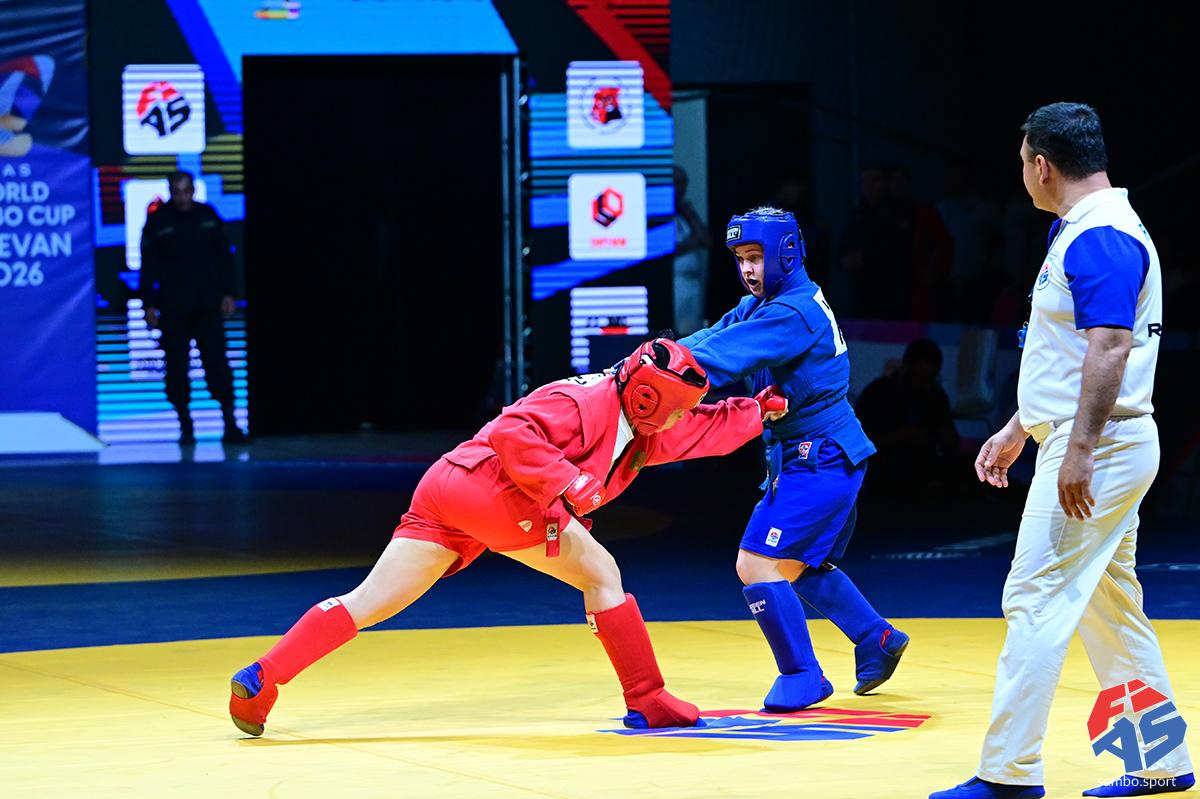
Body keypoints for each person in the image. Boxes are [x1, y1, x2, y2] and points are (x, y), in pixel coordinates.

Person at [227, 338, 788, 736]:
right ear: (647, 401)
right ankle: (646, 698)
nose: (682, 418)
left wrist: (755, 414)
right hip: (493, 491)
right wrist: (567, 480)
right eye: (677, 410)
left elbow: (696, 430)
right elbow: (511, 430)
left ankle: (261, 680)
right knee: (602, 574)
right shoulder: (579, 402)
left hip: (448, 486)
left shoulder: (639, 420)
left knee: (368, 602)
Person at [931, 103, 1195, 799]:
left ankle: (1009, 773)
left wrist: (1077, 450)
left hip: (1100, 447)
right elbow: (1072, 354)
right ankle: (1160, 759)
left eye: (1023, 162)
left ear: (1042, 166)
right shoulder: (1085, 229)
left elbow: (1109, 349)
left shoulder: (1100, 237)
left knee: (1034, 596)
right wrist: (1020, 426)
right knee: (1111, 608)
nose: (1023, 173)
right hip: (1101, 439)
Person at [677, 208, 909, 713]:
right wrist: (654, 356)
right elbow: (709, 339)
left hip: (820, 458)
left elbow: (718, 358)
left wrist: (649, 374)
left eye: (756, 257)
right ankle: (877, 638)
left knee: (756, 563)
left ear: (785, 253)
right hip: (814, 457)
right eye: (740, 258)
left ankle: (802, 675)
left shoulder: (791, 313)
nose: (748, 269)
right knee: (797, 563)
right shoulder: (766, 305)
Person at [140, 170, 245, 444]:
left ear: (193, 191)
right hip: (174, 307)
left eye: (186, 191)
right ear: (170, 192)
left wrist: (229, 293)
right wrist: (148, 304)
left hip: (207, 303)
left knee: (217, 361)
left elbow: (225, 257)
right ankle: (185, 425)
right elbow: (148, 265)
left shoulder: (208, 216)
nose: (182, 198)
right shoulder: (158, 221)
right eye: (177, 192)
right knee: (176, 365)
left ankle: (230, 423)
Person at [855, 338, 960, 500]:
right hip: (883, 472)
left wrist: (945, 438)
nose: (923, 385)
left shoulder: (936, 396)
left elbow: (949, 439)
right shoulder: (878, 393)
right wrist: (899, 437)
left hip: (923, 474)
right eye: (919, 378)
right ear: (906, 367)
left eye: (930, 378)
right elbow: (859, 440)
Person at [673, 165, 713, 336]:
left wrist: (690, 214)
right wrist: (693, 243)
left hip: (692, 283)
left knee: (692, 331)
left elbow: (707, 240)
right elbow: (664, 252)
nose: (681, 188)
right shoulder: (659, 216)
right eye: (677, 183)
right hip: (674, 284)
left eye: (684, 183)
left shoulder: (685, 215)